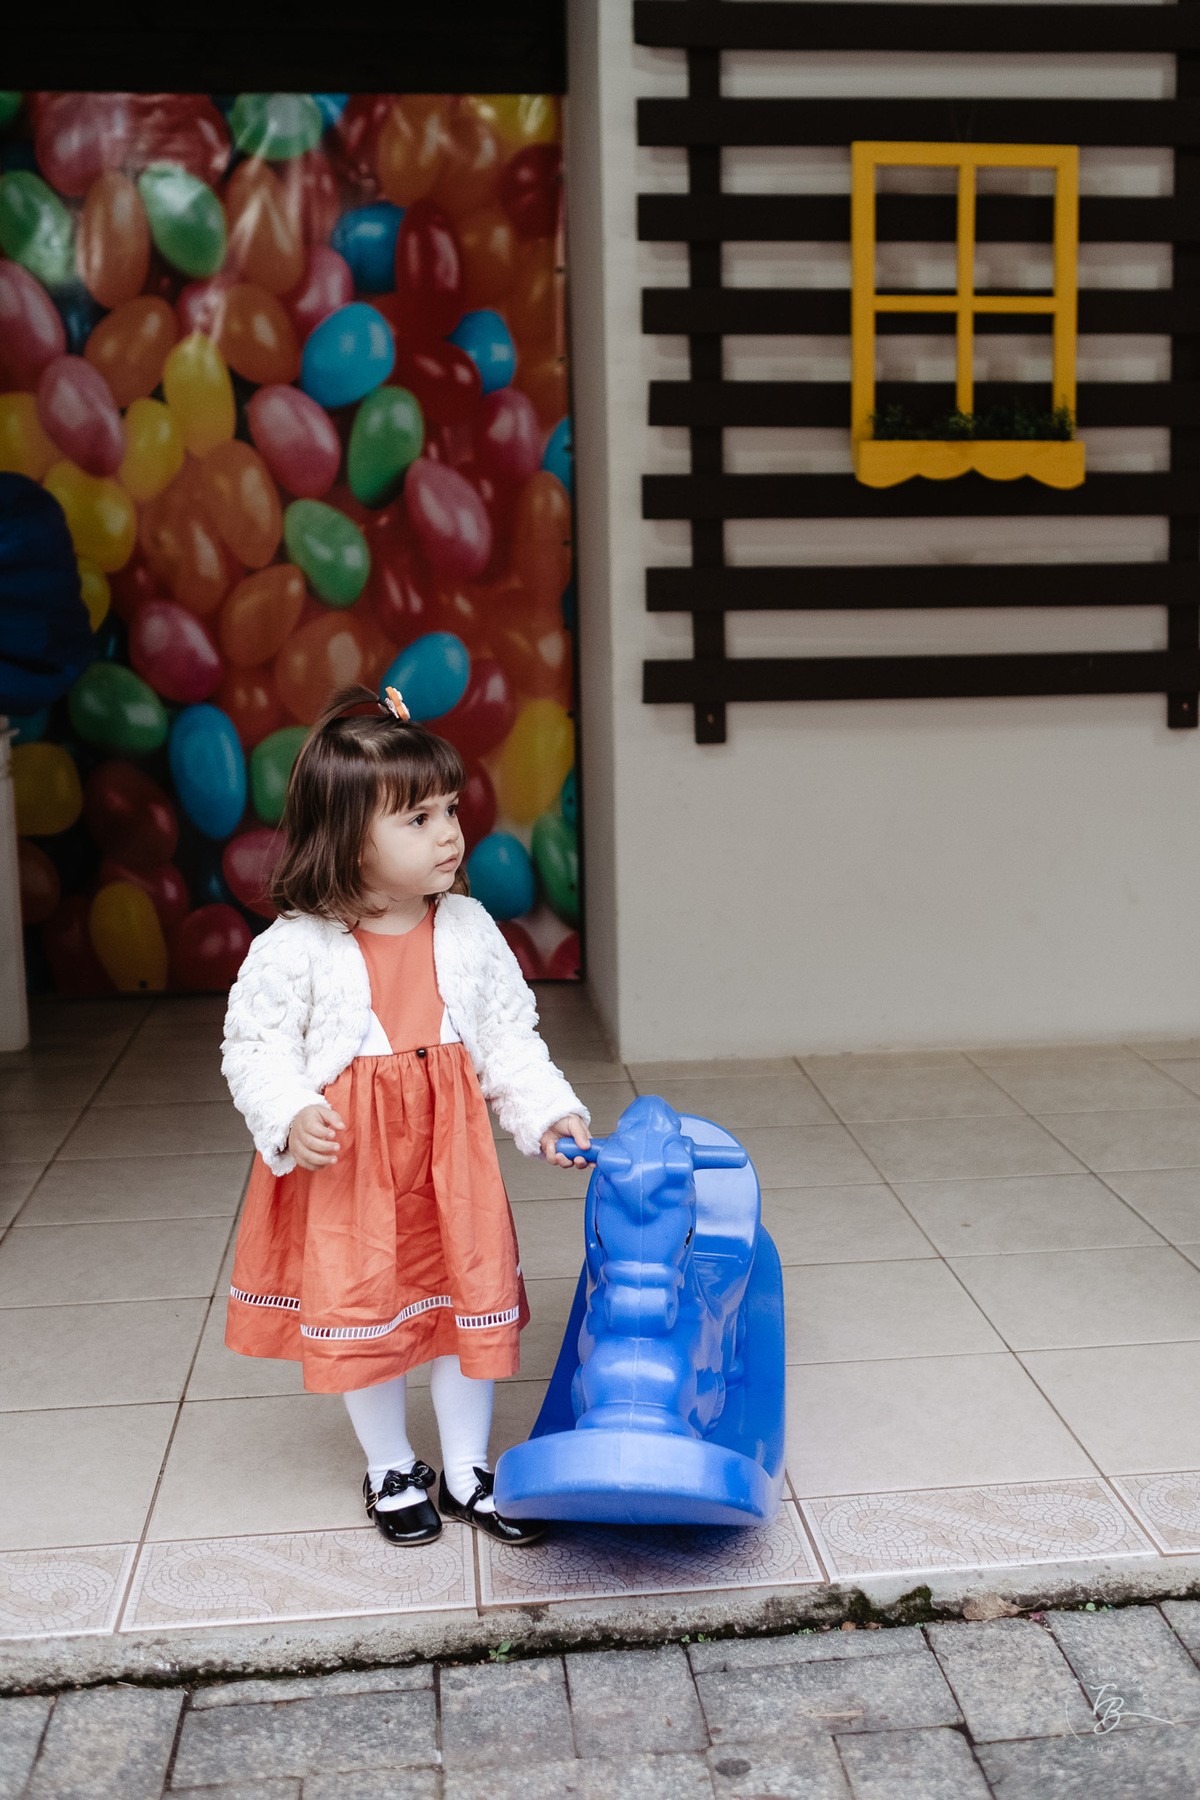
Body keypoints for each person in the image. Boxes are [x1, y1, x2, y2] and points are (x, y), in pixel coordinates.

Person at [221, 682, 591, 1548]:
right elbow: (254, 1047)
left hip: (448, 1160)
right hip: (352, 1168)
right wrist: (291, 1112)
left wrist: (547, 1114)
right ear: (348, 840)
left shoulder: (467, 927)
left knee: (466, 1304)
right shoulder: (296, 946)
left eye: (450, 809)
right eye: (417, 818)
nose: (450, 834)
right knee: (368, 1313)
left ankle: (467, 1467)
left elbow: (509, 1039)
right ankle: (391, 1464)